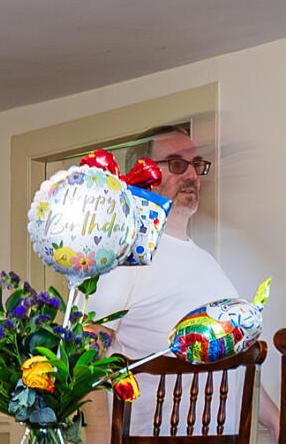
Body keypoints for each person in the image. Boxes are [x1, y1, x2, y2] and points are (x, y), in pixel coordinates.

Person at [87, 127, 241, 363]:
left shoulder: (207, 261)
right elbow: (85, 354)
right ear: (143, 175)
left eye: (196, 164)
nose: (192, 175)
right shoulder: (123, 254)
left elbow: (236, 357)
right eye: (176, 164)